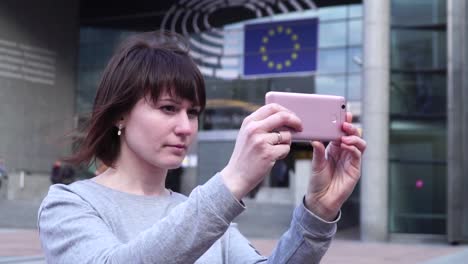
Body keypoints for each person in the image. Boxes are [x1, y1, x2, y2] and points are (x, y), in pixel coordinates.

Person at [38, 31, 366, 263]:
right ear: (119, 114)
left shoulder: (203, 214)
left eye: (192, 113)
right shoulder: (69, 205)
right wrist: (233, 180)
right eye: (168, 108)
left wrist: (319, 212)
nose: (185, 127)